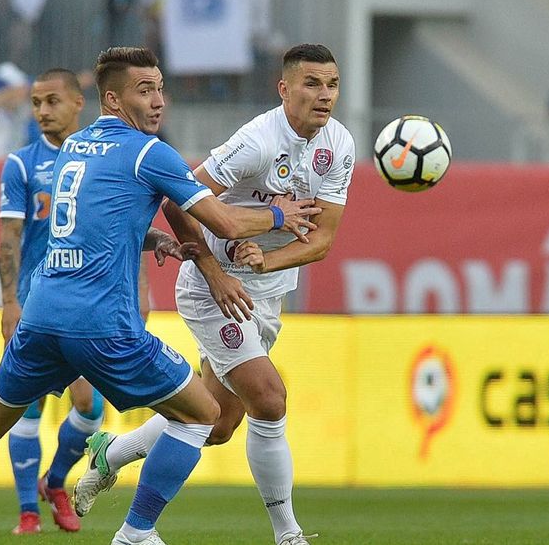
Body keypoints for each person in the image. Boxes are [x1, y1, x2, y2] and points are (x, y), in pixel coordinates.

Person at [0, 46, 322, 545]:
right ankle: (136, 532)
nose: (158, 102)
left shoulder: (74, 148)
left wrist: (153, 240)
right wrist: (281, 215)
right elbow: (228, 222)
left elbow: (96, 223)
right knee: (202, 415)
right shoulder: (149, 152)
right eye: (144, 91)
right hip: (102, 324)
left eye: (161, 89)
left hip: (42, 313)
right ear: (112, 98)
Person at [73, 43, 354, 545]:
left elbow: (322, 241)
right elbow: (180, 196)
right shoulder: (257, 142)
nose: (325, 94)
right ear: (284, 88)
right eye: (312, 84)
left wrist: (267, 260)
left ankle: (109, 453)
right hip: (214, 290)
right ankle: (288, 535)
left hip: (265, 293)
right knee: (270, 398)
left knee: (219, 423)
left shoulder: (341, 145)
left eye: (332, 84)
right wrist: (214, 267)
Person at [0, 68, 101, 535]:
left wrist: (138, 289)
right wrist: (8, 301)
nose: (41, 111)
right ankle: (27, 512)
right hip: (33, 303)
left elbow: (119, 231)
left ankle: (55, 480)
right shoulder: (21, 164)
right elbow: (9, 239)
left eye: (51, 101)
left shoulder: (99, 160)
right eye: (36, 102)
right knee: (27, 403)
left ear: (78, 104)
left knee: (90, 406)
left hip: (80, 303)